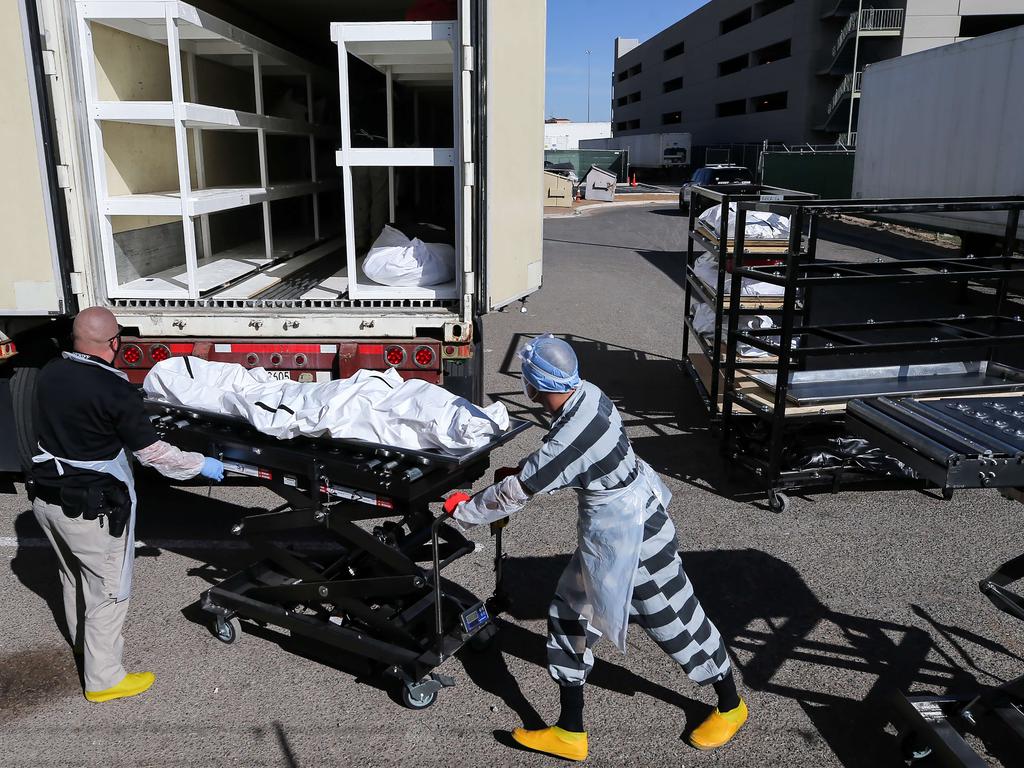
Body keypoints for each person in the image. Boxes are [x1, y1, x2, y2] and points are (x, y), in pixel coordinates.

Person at [442, 334, 747, 761]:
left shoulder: (569, 440)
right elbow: (557, 460)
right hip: (611, 532)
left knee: (674, 620)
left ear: (532, 385)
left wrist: (464, 510)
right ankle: (570, 731)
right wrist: (530, 469)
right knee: (568, 616)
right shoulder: (589, 394)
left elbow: (520, 488)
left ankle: (732, 705)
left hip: (635, 537)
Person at [29, 307, 225, 703]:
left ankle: (86, 648)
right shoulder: (113, 390)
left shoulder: (50, 372)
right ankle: (104, 680)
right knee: (108, 592)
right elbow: (154, 454)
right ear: (114, 343)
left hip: (48, 501)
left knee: (73, 578)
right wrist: (200, 464)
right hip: (91, 510)